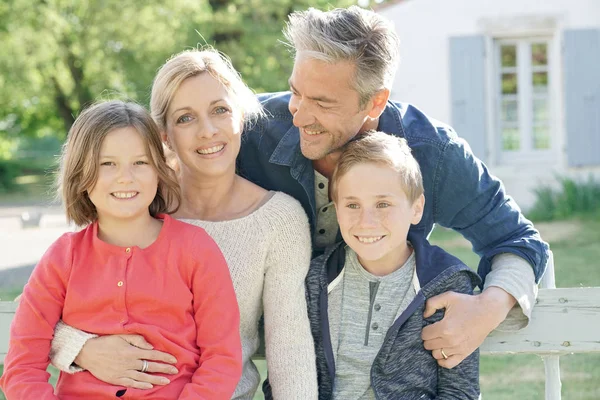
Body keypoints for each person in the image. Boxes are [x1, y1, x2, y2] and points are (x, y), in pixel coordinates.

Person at [236, 5, 549, 370]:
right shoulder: (248, 129)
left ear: (376, 101)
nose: (300, 115)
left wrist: (488, 309)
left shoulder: (433, 152)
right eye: (296, 92)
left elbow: (518, 239)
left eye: (322, 103)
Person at [48, 50, 319, 400]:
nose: (208, 131)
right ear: (163, 135)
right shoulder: (138, 200)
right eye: (185, 118)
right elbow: (42, 308)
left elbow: (289, 350)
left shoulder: (278, 220)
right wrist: (82, 349)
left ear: (241, 116)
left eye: (220, 110)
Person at [0, 100, 242, 399]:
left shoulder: (196, 250)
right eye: (107, 164)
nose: (125, 177)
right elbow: (22, 368)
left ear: (158, 170)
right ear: (81, 173)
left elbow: (221, 360)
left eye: (140, 162)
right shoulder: (62, 259)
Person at [306, 131, 480, 399]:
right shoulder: (318, 279)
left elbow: (459, 391)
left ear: (416, 208)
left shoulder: (446, 283)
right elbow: (290, 375)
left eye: (383, 204)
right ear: (336, 208)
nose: (366, 221)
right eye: (352, 205)